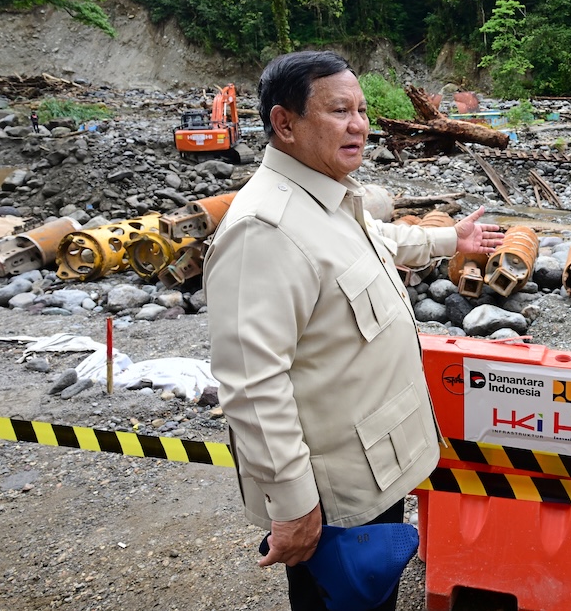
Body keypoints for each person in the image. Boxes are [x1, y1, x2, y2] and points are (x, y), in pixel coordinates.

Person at [205, 50, 504, 611]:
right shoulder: (263, 231)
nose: (360, 125)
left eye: (362, 110)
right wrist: (293, 504)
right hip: (334, 495)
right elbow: (252, 384)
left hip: (373, 470)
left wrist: (449, 240)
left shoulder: (328, 194)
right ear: (284, 123)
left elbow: (373, 243)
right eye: (340, 110)